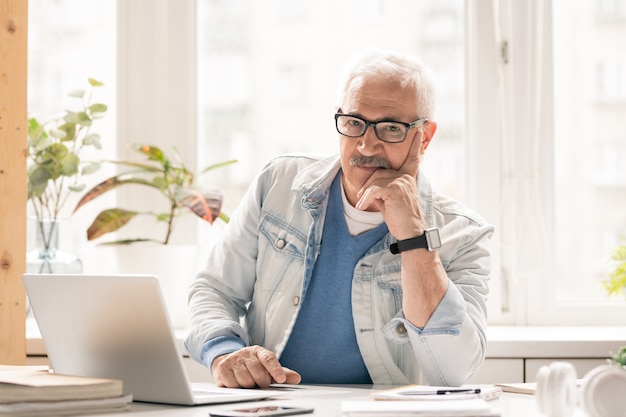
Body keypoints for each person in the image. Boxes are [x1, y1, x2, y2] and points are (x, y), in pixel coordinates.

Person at [185, 49, 494, 389]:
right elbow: (214, 289)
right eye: (354, 123)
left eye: (390, 128)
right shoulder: (278, 183)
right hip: (272, 404)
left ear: (425, 138)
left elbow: (452, 370)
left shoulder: (464, 235)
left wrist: (414, 235)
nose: (366, 145)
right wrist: (224, 352)